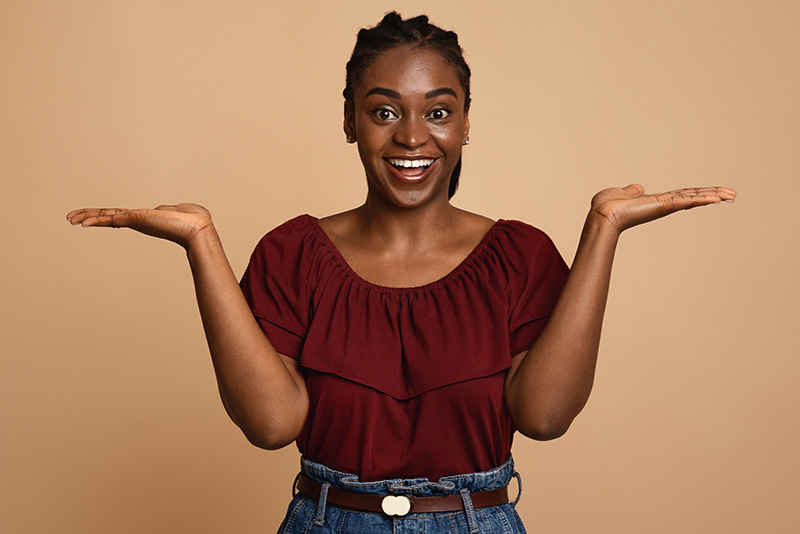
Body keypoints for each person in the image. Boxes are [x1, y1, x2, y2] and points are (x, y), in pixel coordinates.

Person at [66, 12, 736, 534]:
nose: (412, 136)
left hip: (479, 521)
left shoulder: (520, 256)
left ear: (466, 124)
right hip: (325, 521)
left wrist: (603, 230)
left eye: (438, 111)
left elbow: (544, 415)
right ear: (351, 121)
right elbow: (272, 424)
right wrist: (200, 242)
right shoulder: (292, 254)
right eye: (384, 110)